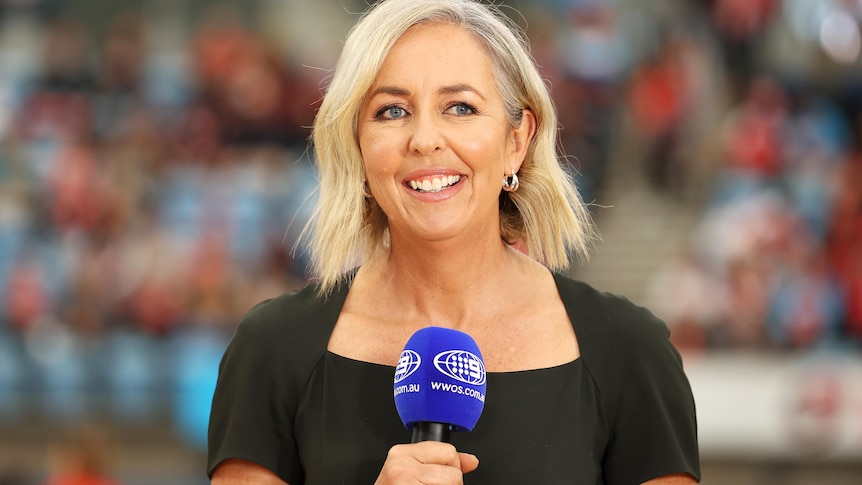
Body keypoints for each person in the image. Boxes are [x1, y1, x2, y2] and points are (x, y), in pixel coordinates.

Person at [207, 0, 700, 483]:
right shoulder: (270, 349)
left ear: (517, 139)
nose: (425, 138)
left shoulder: (630, 352)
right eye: (391, 111)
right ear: (357, 144)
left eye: (460, 107)